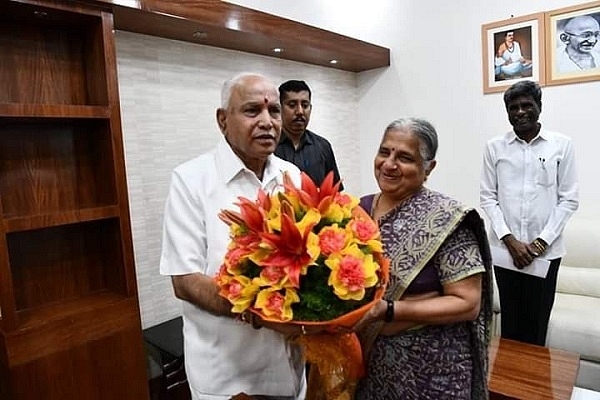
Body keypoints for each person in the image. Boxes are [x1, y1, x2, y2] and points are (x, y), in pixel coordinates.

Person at [159, 72, 307, 400]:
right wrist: (263, 314)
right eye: (252, 111)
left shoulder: (291, 175)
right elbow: (184, 281)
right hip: (228, 377)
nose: (267, 121)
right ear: (222, 120)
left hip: (291, 368)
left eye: (274, 111)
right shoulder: (191, 179)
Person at [353, 117, 493, 399]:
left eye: (405, 157)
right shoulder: (355, 210)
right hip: (370, 366)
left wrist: (390, 310)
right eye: (384, 152)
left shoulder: (447, 219)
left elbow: (467, 303)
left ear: (428, 168)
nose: (389, 164)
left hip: (432, 369)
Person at [480, 80, 579, 346]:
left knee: (536, 327)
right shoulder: (495, 148)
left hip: (545, 254)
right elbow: (488, 197)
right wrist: (510, 240)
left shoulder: (561, 145)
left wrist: (539, 242)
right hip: (505, 251)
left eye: (527, 105)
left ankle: (534, 386)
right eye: (514, 107)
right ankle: (508, 385)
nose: (520, 112)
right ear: (507, 112)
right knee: (511, 325)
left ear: (539, 107)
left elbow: (569, 200)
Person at [275, 80, 343, 188]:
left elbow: (334, 192)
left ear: (310, 108)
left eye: (305, 105)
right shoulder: (269, 146)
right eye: (292, 105)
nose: (300, 111)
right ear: (279, 108)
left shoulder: (323, 146)